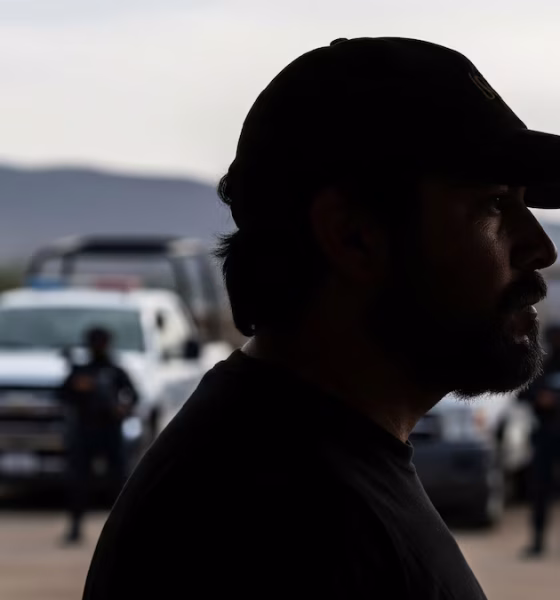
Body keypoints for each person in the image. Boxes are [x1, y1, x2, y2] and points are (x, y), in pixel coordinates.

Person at [84, 38, 560, 599]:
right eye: (496, 205)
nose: (542, 249)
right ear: (353, 236)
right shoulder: (274, 525)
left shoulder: (291, 465)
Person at [60, 327, 138, 544]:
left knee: (119, 481)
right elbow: (63, 395)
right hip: (86, 431)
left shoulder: (115, 371)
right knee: (79, 482)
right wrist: (78, 387)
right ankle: (75, 528)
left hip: (111, 430)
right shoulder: (81, 371)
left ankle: (123, 528)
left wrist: (123, 409)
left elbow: (134, 396)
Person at [521, 325, 560, 557]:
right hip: (545, 437)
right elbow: (524, 394)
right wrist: (539, 398)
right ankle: (537, 540)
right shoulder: (542, 367)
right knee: (539, 490)